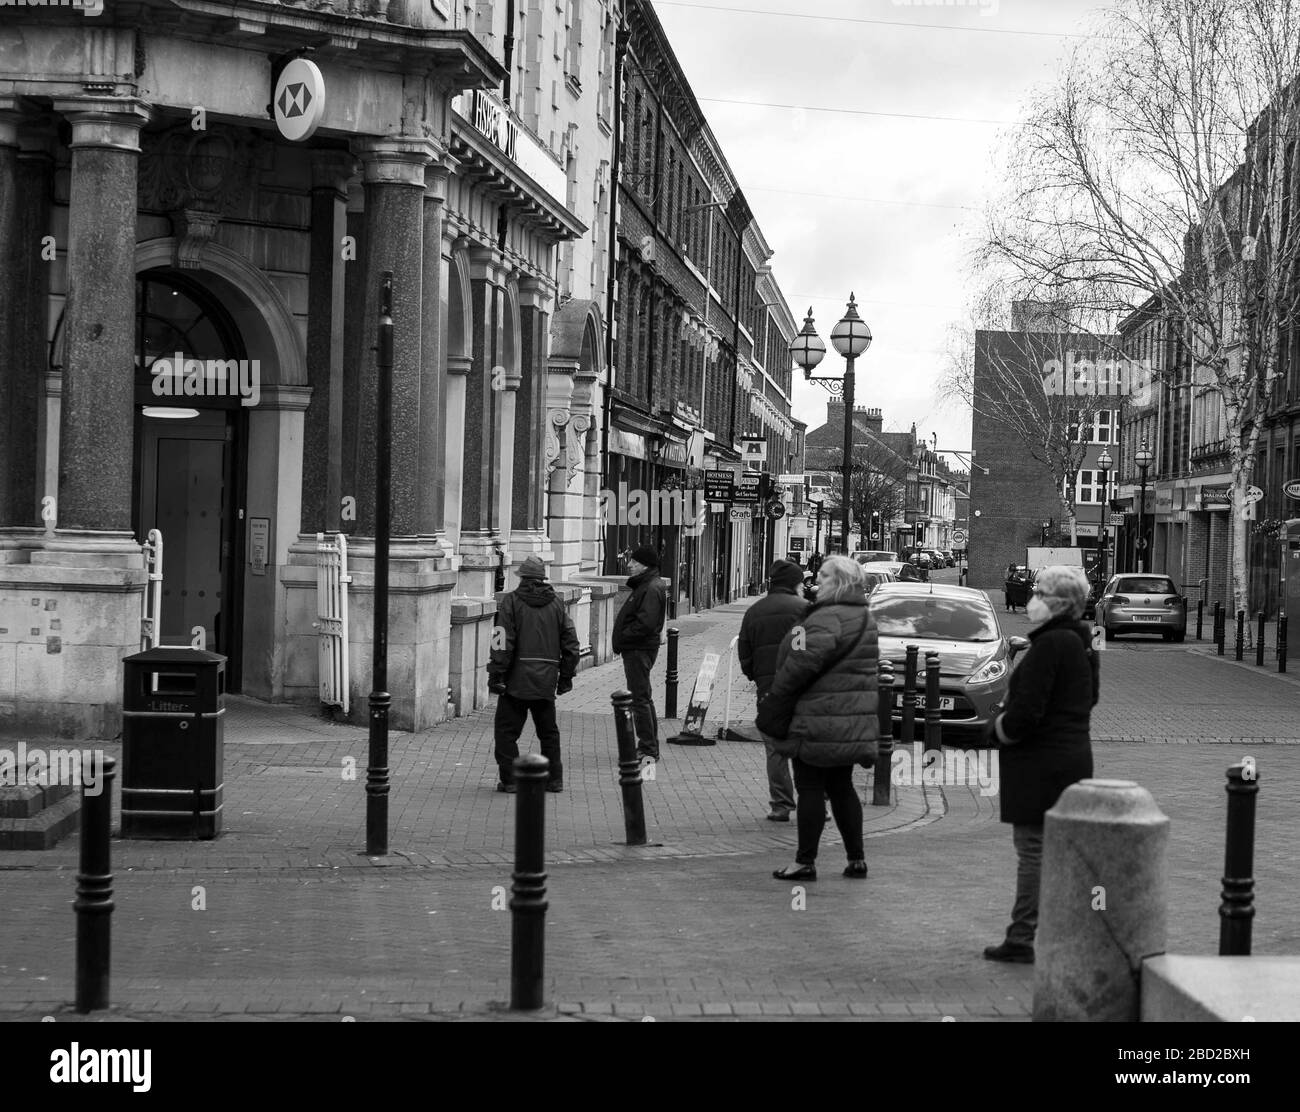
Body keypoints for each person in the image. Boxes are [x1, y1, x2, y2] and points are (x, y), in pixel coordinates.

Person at [982, 564, 1099, 962]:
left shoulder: (1051, 645)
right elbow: (1090, 697)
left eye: (1040, 595)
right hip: (1072, 758)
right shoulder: (1082, 640)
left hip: (1041, 762)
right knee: (1056, 851)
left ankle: (1021, 937)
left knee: (1032, 850)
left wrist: (998, 730)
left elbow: (1026, 714)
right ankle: (1065, 932)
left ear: (1056, 603)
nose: (1033, 601)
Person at [766, 555, 879, 880]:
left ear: (840, 582)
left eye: (825, 576)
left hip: (816, 716)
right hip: (849, 719)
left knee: (811, 788)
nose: (817, 580)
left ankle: (805, 861)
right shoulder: (863, 617)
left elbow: (799, 664)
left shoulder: (825, 617)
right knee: (843, 787)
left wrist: (778, 696)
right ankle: (856, 859)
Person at [487, 555, 580, 794]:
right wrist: (566, 677)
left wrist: (496, 673)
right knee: (548, 733)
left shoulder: (511, 602)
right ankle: (554, 779)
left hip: (516, 679)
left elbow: (500, 640)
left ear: (521, 577)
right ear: (542, 578)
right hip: (546, 679)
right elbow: (571, 642)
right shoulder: (557, 604)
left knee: (506, 732)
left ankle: (511, 780)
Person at [737, 560, 808, 822]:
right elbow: (807, 650)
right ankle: (815, 804)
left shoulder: (755, 611)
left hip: (768, 692)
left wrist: (756, 676)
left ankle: (781, 805)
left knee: (775, 750)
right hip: (802, 691)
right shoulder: (804, 610)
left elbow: (744, 650)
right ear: (795, 584)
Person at [611, 545, 667, 765]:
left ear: (645, 565)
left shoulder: (651, 587)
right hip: (639, 647)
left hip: (639, 648)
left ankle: (648, 748)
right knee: (643, 697)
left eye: (634, 562)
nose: (630, 565)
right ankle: (649, 744)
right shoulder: (647, 585)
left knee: (639, 699)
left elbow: (646, 623)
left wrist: (624, 637)